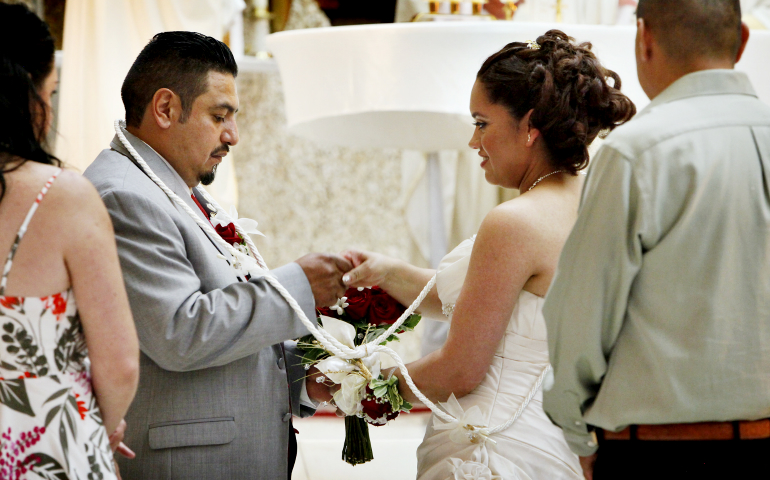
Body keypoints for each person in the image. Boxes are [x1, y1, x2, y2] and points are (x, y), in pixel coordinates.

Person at [342, 30, 635, 480]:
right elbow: (497, 302)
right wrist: (387, 272)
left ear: (530, 125)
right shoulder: (595, 205)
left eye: (482, 123)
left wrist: (358, 385)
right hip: (554, 442)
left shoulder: (515, 222)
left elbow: (461, 371)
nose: (472, 143)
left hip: (495, 444)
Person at [83, 31, 347, 479]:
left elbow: (221, 313)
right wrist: (299, 285)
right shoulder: (123, 195)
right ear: (165, 109)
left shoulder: (169, 185)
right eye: (219, 116)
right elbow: (179, 332)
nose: (234, 136)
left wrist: (304, 375)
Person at [541, 1, 770, 479]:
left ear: (643, 36)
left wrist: (576, 428)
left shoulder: (637, 151)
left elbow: (583, 311)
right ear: (743, 41)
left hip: (662, 451)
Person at [0, 4, 140, 479]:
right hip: (46, 446)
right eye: (51, 91)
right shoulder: (59, 196)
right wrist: (107, 422)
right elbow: (119, 362)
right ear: (27, 93)